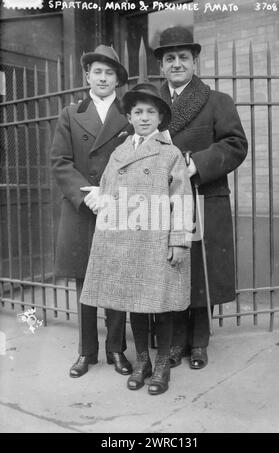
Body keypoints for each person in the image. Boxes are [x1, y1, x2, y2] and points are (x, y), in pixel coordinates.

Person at [80, 83, 193, 395]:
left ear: (160, 118)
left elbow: (182, 199)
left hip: (157, 237)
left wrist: (179, 241)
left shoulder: (170, 154)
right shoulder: (119, 153)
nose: (144, 118)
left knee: (163, 304)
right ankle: (141, 360)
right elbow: (107, 193)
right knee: (136, 305)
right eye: (138, 112)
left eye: (151, 112)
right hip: (124, 239)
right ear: (128, 116)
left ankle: (161, 367)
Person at [153, 26, 248, 370]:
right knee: (172, 267)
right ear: (161, 66)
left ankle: (199, 343)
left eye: (183, 57)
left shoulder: (217, 101)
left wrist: (198, 164)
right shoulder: (151, 103)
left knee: (199, 270)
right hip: (162, 199)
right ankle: (176, 341)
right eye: (169, 59)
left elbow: (236, 145)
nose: (176, 64)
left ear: (194, 61)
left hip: (203, 195)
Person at [51, 45, 133, 378]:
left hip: (116, 206)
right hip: (82, 207)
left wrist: (110, 194)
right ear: (87, 76)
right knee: (84, 280)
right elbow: (60, 161)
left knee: (115, 277)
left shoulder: (129, 113)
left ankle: (116, 349)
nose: (102, 78)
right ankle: (87, 352)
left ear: (117, 79)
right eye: (97, 72)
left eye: (109, 73)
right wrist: (86, 193)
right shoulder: (70, 113)